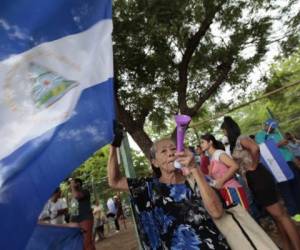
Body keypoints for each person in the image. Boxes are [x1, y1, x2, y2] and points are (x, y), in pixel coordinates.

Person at [107, 135, 230, 249]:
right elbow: (115, 181)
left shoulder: (197, 179)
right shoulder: (147, 187)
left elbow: (217, 212)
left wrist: (194, 168)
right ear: (155, 162)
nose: (171, 153)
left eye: (173, 149)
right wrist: (114, 146)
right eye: (164, 151)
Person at [221, 116, 300, 250]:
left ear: (228, 130)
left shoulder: (242, 138)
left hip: (258, 177)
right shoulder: (235, 144)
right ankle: (287, 246)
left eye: (224, 131)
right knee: (276, 216)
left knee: (281, 215)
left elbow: (255, 148)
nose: (224, 134)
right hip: (254, 179)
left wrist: (254, 165)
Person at [255, 119, 300, 222]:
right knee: (285, 189)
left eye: (274, 127)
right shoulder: (260, 136)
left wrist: (295, 160)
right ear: (265, 125)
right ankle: (294, 212)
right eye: (271, 126)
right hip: (277, 165)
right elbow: (263, 149)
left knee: (296, 185)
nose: (272, 128)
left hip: (289, 162)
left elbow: (287, 148)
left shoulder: (277, 133)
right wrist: (279, 144)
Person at [200, 134, 249, 210]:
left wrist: (221, 181)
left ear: (210, 142)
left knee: (244, 216)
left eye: (202, 142)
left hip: (232, 189)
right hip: (225, 191)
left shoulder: (219, 153)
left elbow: (235, 166)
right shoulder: (212, 157)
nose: (201, 145)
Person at [69, 178, 95, 250]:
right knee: (81, 244)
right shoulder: (72, 195)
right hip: (75, 220)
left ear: (78, 184)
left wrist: (73, 187)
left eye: (73, 183)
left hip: (85, 219)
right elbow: (73, 209)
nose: (71, 185)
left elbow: (77, 196)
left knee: (87, 243)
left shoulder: (85, 191)